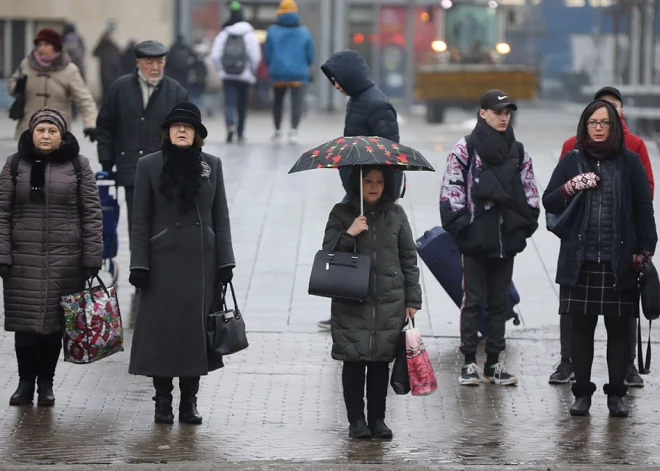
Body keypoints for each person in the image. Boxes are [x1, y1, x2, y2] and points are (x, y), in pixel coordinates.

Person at [543, 99, 656, 417]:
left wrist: (646, 250)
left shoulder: (629, 162)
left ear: (615, 128)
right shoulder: (572, 160)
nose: (598, 128)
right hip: (580, 262)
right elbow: (549, 200)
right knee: (581, 329)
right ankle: (582, 395)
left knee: (619, 331)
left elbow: (644, 209)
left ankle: (616, 395)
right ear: (584, 125)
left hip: (619, 261)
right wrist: (572, 186)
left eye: (604, 123)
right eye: (592, 122)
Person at [128, 102, 235, 425]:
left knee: (194, 337)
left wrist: (225, 260)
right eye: (176, 126)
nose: (182, 131)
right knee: (162, 335)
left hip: (201, 264)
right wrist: (139, 264)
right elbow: (140, 219)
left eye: (188, 127)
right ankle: (162, 401)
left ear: (198, 135)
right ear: (167, 131)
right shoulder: (148, 165)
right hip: (161, 265)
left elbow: (221, 216)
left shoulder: (211, 166)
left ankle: (189, 401)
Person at [0, 107, 103, 407]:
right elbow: (2, 212)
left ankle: (46, 384)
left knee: (54, 329)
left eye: (52, 131)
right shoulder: (15, 164)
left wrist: (92, 256)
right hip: (23, 259)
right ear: (32, 134)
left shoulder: (78, 165)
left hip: (65, 259)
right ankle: (24, 383)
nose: (46, 135)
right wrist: (3, 253)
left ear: (62, 135)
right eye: (40, 130)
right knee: (25, 328)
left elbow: (92, 214)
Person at [440, 90, 540, 386]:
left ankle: (494, 363)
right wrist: (464, 229)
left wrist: (523, 229)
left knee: (499, 302)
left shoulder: (518, 151)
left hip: (505, 239)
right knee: (472, 301)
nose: (503, 117)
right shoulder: (466, 148)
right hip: (475, 238)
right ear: (482, 113)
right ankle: (469, 362)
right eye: (498, 112)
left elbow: (531, 191)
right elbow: (451, 191)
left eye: (507, 112)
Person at [322, 165, 421, 439]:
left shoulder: (396, 214)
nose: (374, 186)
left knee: (380, 362)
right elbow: (327, 254)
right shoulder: (341, 213)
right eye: (368, 181)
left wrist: (412, 298)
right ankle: (356, 421)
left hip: (389, 301)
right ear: (357, 184)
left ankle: (378, 419)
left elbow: (408, 259)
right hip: (351, 301)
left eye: (379, 181)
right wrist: (350, 233)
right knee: (353, 361)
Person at [317, 49, 405, 331]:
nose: (336, 86)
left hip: (371, 192)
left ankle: (367, 305)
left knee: (366, 250)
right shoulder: (358, 100)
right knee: (350, 247)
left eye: (338, 80)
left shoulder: (377, 105)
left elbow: (391, 156)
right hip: (357, 190)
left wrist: (385, 195)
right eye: (332, 82)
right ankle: (347, 303)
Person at [96, 40, 189, 244]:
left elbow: (188, 133)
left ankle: (161, 270)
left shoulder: (176, 92)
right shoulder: (120, 88)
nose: (155, 68)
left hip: (167, 171)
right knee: (137, 225)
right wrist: (107, 161)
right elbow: (105, 126)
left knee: (164, 225)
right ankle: (140, 270)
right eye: (149, 62)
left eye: (160, 62)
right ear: (138, 62)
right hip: (132, 170)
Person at [8, 28, 97, 142]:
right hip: (28, 130)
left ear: (56, 47)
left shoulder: (69, 70)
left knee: (56, 159)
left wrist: (90, 124)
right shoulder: (26, 64)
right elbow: (12, 87)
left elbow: (84, 100)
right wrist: (17, 86)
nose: (42, 48)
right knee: (27, 159)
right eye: (39, 44)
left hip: (57, 131)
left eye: (46, 44)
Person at [211, 1, 262, 143]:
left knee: (229, 102)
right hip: (245, 76)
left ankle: (229, 125)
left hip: (227, 75)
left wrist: (221, 68)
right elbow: (255, 56)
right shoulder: (249, 34)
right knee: (242, 104)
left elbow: (215, 54)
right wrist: (252, 71)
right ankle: (240, 131)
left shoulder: (224, 33)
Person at [264, 0, 315, 144]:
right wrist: (305, 64)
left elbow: (267, 53)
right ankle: (293, 130)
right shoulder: (304, 32)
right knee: (296, 102)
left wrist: (271, 65)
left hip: (278, 72)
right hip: (298, 73)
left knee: (277, 101)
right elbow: (310, 54)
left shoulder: (272, 30)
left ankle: (277, 129)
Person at [93, 26, 123, 101]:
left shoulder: (107, 47)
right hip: (109, 72)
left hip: (107, 72)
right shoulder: (110, 47)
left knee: (107, 89)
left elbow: (94, 53)